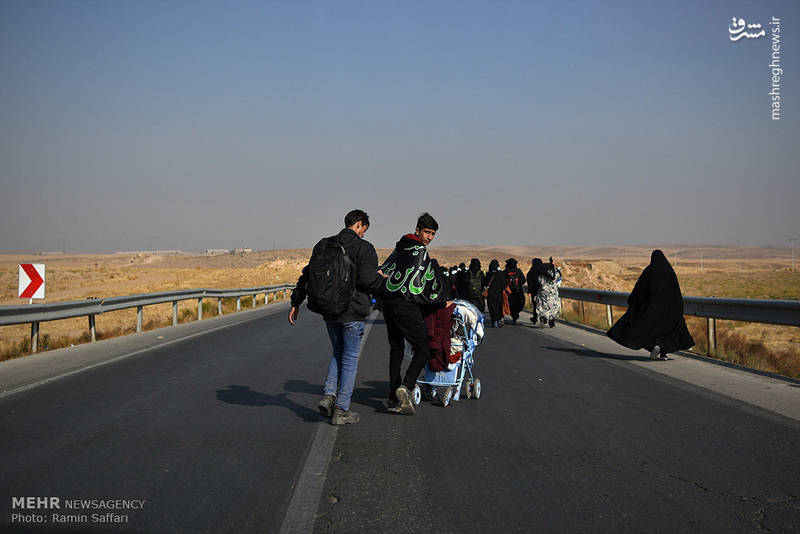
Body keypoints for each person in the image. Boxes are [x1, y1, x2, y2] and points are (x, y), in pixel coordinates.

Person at [288, 209, 385, 425]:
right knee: (350, 358)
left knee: (337, 352)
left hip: (329, 312)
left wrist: (296, 302)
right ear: (359, 225)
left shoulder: (323, 245)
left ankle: (329, 395)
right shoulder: (364, 248)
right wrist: (382, 281)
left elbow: (308, 274)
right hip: (352, 313)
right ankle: (341, 410)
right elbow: (369, 281)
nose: (363, 235)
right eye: (364, 230)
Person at [379, 212, 446, 415]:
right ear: (417, 230)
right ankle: (405, 387)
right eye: (427, 232)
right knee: (423, 348)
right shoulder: (419, 250)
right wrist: (441, 297)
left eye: (433, 234)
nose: (429, 237)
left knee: (397, 348)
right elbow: (425, 282)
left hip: (388, 304)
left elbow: (385, 270)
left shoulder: (399, 248)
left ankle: (393, 396)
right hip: (405, 305)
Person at [607, 250, 695, 359]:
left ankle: (652, 347)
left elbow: (639, 289)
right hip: (669, 310)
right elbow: (676, 292)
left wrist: (633, 301)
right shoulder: (670, 272)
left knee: (645, 330)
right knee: (666, 332)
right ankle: (663, 353)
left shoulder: (649, 271)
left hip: (652, 309)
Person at [534, 257, 561, 327]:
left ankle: (543, 319)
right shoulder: (554, 275)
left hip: (543, 293)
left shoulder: (541, 276)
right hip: (553, 294)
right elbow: (559, 275)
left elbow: (538, 282)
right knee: (553, 307)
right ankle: (552, 321)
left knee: (542, 306)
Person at [503, 258, 526, 324]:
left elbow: (502, 282)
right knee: (517, 305)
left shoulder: (505, 272)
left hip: (508, 292)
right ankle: (515, 317)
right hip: (518, 292)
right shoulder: (518, 271)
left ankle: (513, 316)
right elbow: (523, 280)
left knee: (510, 305)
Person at [484, 259, 505, 327]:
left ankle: (494, 321)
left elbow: (485, 283)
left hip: (490, 295)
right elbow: (503, 285)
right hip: (498, 295)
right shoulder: (500, 274)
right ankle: (499, 320)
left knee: (492, 308)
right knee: (498, 308)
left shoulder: (488, 274)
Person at [526, 258, 543, 324]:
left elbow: (529, 280)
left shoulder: (531, 271)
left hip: (534, 291)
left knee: (535, 304)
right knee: (542, 304)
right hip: (543, 290)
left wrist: (529, 291)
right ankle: (542, 318)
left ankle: (535, 318)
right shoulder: (542, 271)